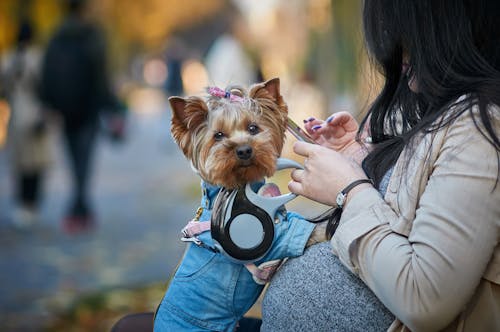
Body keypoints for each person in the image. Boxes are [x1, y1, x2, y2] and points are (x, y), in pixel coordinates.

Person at [261, 0, 500, 331]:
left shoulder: (482, 127)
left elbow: (423, 298)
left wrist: (349, 190)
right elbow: (410, 209)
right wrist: (360, 160)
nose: (396, 50)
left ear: (449, 30)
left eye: (404, 32)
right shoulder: (453, 114)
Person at [40, 0, 117, 233]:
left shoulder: (55, 37)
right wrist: (111, 105)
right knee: (85, 160)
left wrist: (50, 103)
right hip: (89, 108)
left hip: (65, 109)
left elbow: (47, 73)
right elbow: (101, 74)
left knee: (74, 160)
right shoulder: (92, 35)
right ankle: (80, 208)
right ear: (82, 9)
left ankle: (79, 208)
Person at [1, 20, 51, 229]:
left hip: (15, 116)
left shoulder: (6, 60)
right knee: (37, 164)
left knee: (20, 164)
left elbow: (3, 91)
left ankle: (22, 204)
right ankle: (32, 204)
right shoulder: (39, 58)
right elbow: (46, 88)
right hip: (36, 115)